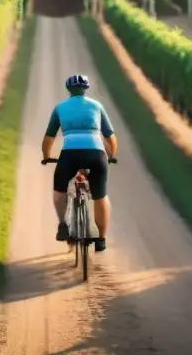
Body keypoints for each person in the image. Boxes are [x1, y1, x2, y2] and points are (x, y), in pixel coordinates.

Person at [41, 74, 118, 252]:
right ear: (86, 89)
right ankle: (101, 239)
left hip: (70, 155)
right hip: (96, 155)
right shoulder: (97, 106)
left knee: (60, 189)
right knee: (100, 196)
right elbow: (110, 138)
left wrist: (46, 156)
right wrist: (111, 154)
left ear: (69, 90)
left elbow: (48, 139)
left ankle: (62, 225)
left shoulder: (60, 107)